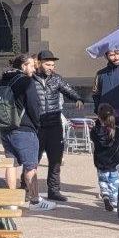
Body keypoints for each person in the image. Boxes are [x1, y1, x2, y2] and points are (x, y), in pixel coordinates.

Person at [0, 53, 53, 211]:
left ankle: (11, 201)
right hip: (24, 128)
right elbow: (34, 105)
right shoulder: (26, 81)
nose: (34, 68)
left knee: (11, 164)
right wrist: (37, 124)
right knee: (31, 165)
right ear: (23, 66)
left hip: (6, 127)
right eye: (31, 65)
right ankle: (35, 201)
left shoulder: (4, 80)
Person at [32, 50, 83, 202]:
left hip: (54, 125)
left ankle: (54, 190)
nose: (51, 67)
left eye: (53, 65)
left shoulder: (56, 79)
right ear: (39, 63)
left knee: (55, 159)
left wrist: (78, 98)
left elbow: (68, 89)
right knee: (33, 159)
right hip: (37, 126)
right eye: (47, 64)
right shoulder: (30, 79)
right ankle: (26, 187)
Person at [90, 103, 119, 211]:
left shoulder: (95, 132)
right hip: (114, 162)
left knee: (103, 180)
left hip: (100, 161)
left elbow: (94, 140)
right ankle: (114, 203)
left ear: (99, 117)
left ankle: (105, 195)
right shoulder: (118, 131)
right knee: (114, 183)